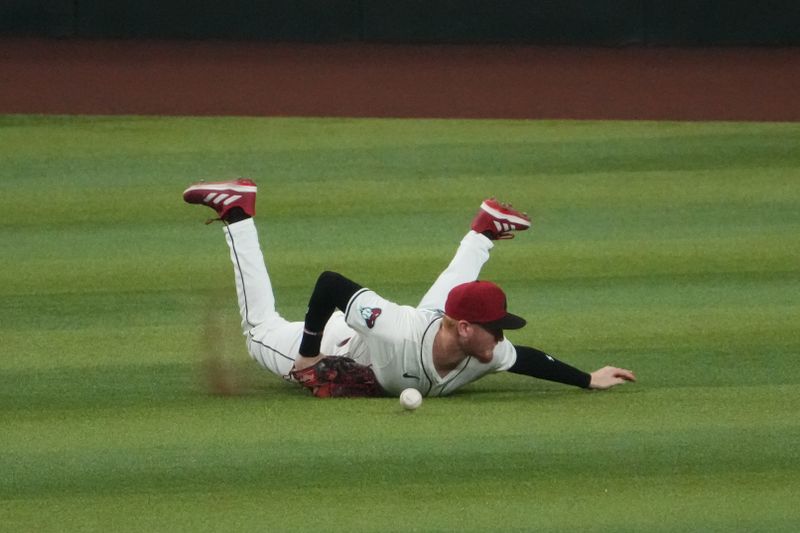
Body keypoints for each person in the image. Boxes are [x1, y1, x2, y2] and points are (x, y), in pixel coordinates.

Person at [183, 178, 635, 398]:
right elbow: (329, 284)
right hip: (350, 340)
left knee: (445, 297)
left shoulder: (483, 350)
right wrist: (308, 353)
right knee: (259, 329)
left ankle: (484, 230)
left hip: (430, 328)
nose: (500, 338)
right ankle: (238, 212)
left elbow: (531, 360)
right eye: (493, 329)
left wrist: (586, 379)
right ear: (463, 329)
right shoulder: (396, 328)